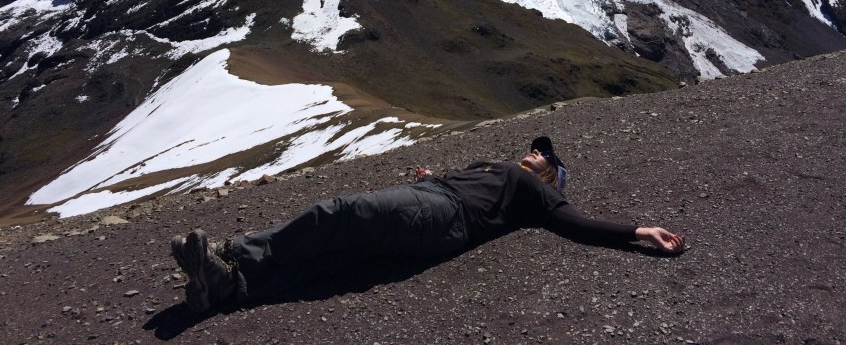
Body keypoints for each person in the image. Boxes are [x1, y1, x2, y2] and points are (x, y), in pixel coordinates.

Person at [171, 136, 685, 313]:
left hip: (442, 215)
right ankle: (225, 288)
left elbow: (578, 223)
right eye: (536, 149)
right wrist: (429, 176)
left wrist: (639, 231)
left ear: (551, 178)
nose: (536, 152)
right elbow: (455, 180)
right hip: (432, 202)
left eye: (545, 157)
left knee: (343, 212)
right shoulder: (494, 166)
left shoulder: (533, 192)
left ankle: (235, 253)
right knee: (337, 259)